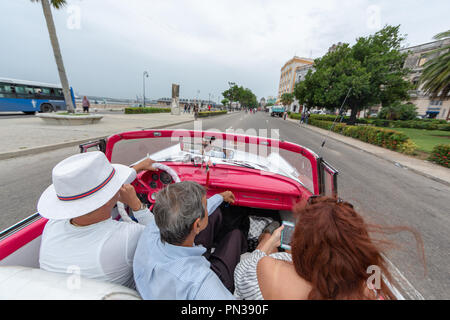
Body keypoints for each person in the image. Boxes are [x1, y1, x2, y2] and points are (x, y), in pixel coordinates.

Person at [234, 196, 425, 300]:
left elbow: (244, 271)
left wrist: (271, 240)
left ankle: (268, 234)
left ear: (301, 245)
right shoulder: (367, 289)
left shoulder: (269, 268)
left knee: (266, 240)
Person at [38, 151, 157, 289]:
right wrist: (137, 205)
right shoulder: (129, 236)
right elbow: (162, 237)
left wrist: (137, 168)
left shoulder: (52, 225)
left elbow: (87, 187)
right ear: (110, 196)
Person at [133, 181, 247, 300]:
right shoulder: (202, 283)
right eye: (205, 205)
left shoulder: (151, 231)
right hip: (211, 279)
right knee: (236, 235)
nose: (207, 207)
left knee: (215, 214)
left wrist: (219, 197)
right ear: (197, 225)